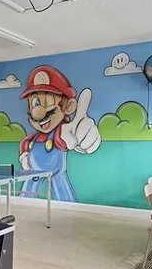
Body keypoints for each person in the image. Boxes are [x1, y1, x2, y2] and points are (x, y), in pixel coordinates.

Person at [18, 66, 101, 202]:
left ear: (68, 106)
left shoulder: (60, 132)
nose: (37, 112)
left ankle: (69, 207)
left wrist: (79, 135)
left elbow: (66, 137)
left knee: (63, 194)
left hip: (56, 173)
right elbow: (25, 142)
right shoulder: (35, 137)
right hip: (34, 172)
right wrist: (24, 156)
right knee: (26, 196)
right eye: (35, 103)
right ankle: (23, 202)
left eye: (48, 102)